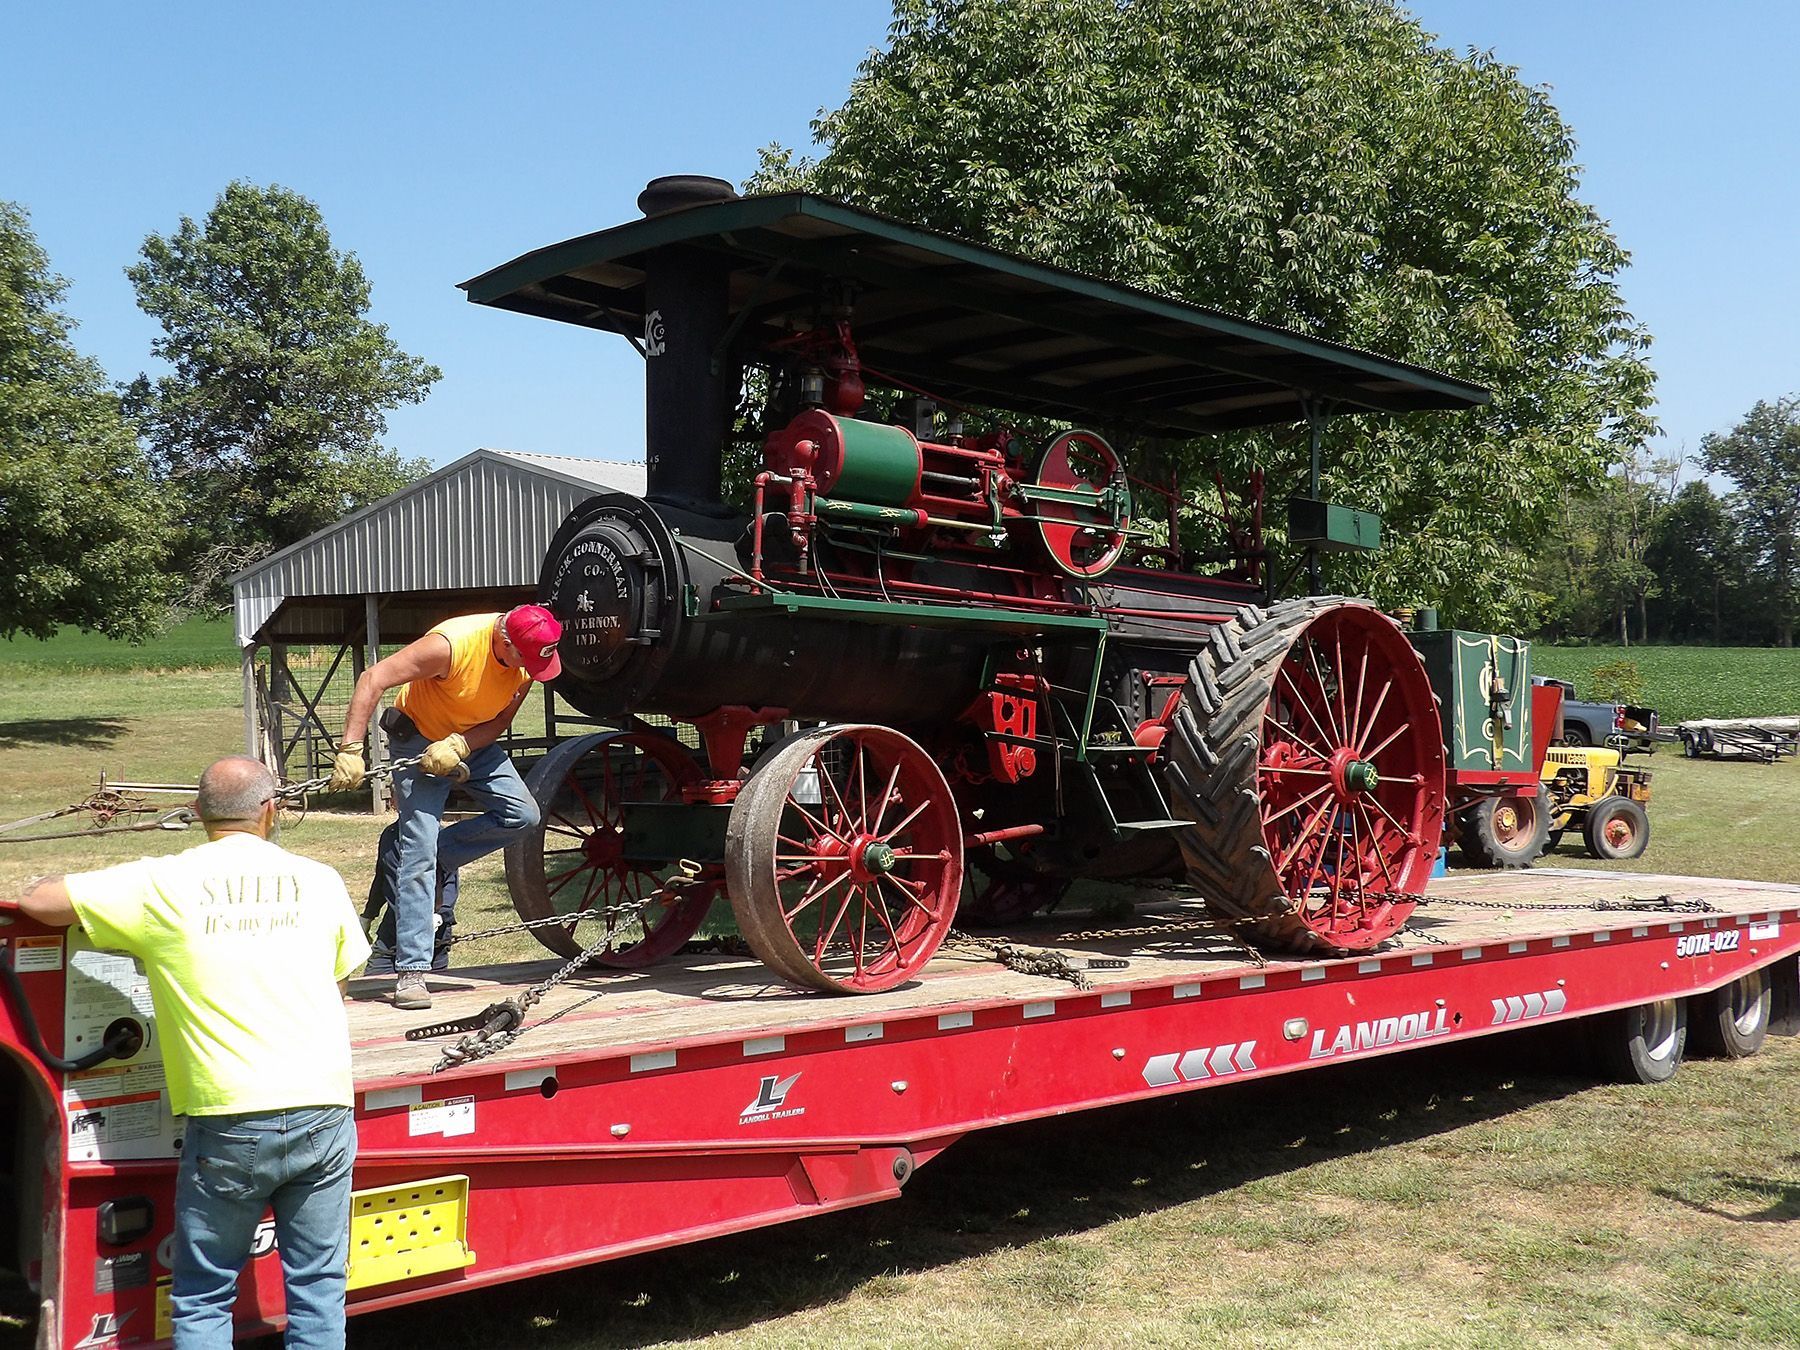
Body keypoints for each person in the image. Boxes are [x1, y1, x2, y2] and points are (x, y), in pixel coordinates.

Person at [14, 757, 370, 1350]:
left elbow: (41, 902)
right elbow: (339, 984)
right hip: (324, 1107)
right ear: (270, 810)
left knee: (204, 1295)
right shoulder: (322, 878)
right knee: (318, 1286)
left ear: (198, 813)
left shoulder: (162, 883)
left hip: (229, 1115)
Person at [328, 606, 560, 1010]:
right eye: (527, 660)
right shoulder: (451, 645)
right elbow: (374, 677)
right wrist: (350, 747)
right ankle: (412, 972)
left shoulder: (527, 660)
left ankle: (429, 858)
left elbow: (500, 720)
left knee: (522, 815)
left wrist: (461, 745)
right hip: (416, 741)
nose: (533, 671)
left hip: (469, 743)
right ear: (506, 644)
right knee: (418, 849)